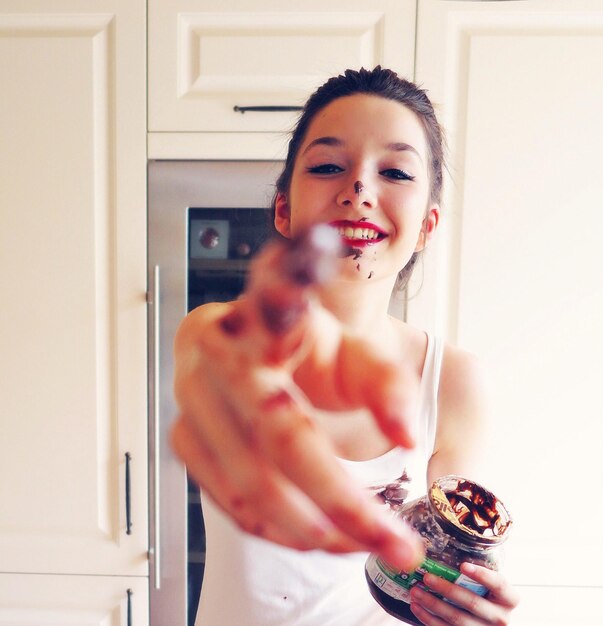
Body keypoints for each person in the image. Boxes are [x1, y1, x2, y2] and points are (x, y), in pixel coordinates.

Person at [171, 66, 520, 625]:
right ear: (283, 210)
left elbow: (449, 560)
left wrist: (469, 604)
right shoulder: (215, 334)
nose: (359, 189)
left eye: (396, 173)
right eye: (329, 166)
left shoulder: (454, 383)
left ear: (426, 225)